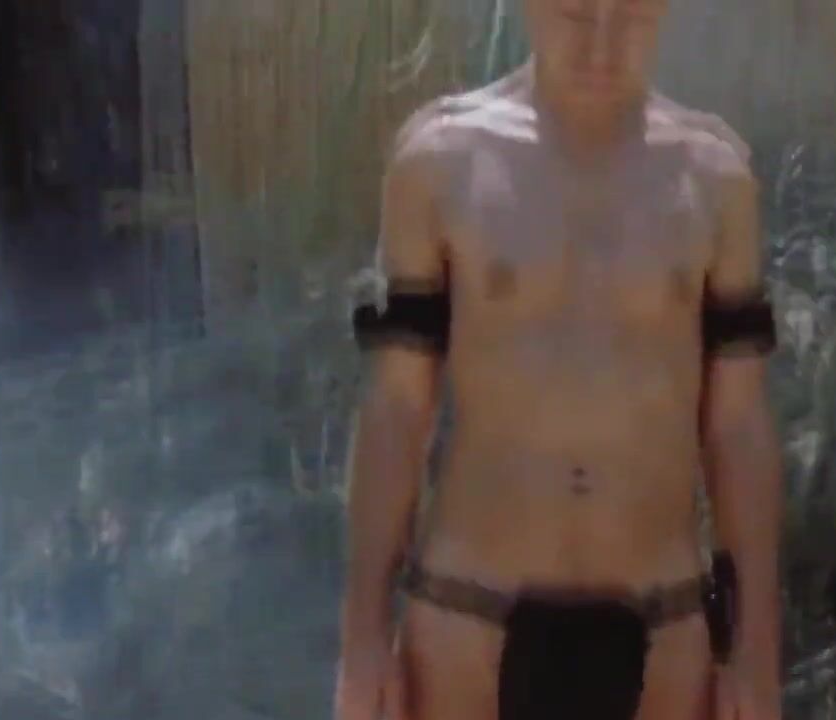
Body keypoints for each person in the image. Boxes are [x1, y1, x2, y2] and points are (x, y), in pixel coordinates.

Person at [334, 1, 783, 718]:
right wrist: (362, 635)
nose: (602, 43)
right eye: (576, 14)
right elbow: (397, 407)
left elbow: (737, 426)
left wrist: (755, 646)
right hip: (468, 620)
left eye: (630, 17)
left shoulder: (715, 179)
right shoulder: (440, 161)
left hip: (664, 628)